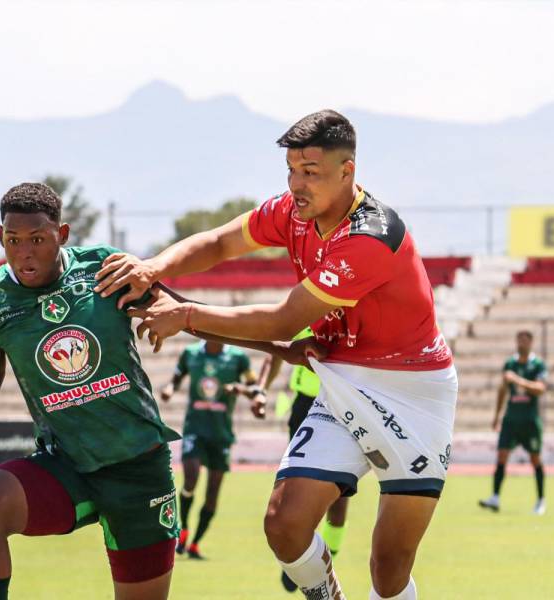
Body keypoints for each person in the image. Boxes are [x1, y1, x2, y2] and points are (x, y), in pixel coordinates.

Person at [96, 110, 457, 600]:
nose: (297, 184)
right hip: (341, 379)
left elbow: (285, 319)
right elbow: (222, 240)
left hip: (416, 392)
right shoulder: (292, 211)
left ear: (347, 171)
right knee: (284, 524)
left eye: (311, 172)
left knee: (389, 567)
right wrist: (153, 265)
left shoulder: (371, 237)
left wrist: (186, 315)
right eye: (291, 170)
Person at [0, 183, 184, 600]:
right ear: (1, 238)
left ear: (62, 235)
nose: (24, 252)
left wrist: (279, 346)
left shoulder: (104, 268)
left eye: (38, 240)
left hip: (137, 468)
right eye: (13, 241)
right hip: (65, 466)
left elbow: (184, 310)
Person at [257, 327, 351, 593]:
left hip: (340, 405)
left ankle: (327, 557)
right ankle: (301, 553)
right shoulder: (303, 314)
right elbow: (275, 348)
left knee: (339, 496)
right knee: (297, 486)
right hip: (304, 405)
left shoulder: (346, 318)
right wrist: (261, 388)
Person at [160, 339, 262, 560]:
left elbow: (255, 389)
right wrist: (169, 388)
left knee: (213, 491)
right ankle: (184, 528)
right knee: (190, 479)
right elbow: (176, 378)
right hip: (195, 429)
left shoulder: (238, 357)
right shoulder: (190, 352)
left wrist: (240, 389)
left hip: (221, 434)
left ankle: (196, 543)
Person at [480, 330, 548, 515]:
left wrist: (517, 380)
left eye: (525, 340)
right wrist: (497, 415)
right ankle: (494, 497)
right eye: (519, 340)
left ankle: (541, 500)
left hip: (530, 421)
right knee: (502, 456)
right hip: (510, 420)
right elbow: (503, 390)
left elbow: (540, 389)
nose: (521, 343)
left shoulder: (538, 365)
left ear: (531, 342)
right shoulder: (510, 363)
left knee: (535, 459)